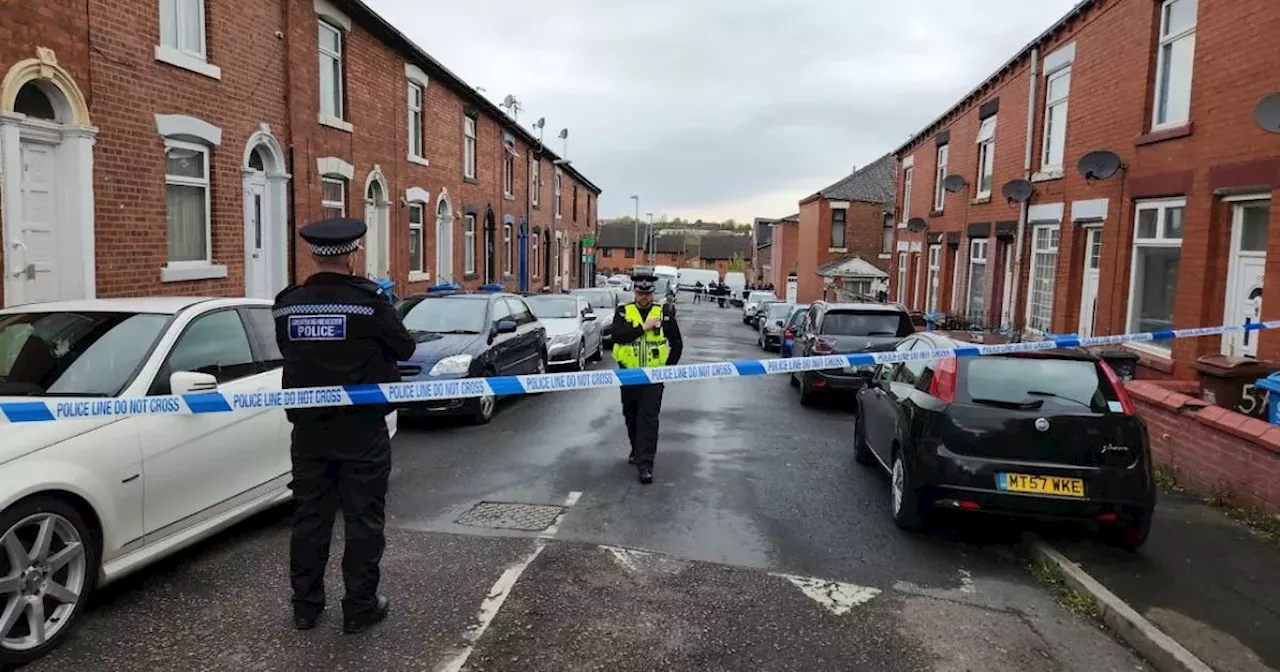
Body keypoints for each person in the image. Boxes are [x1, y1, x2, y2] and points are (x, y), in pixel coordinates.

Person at [273, 217, 416, 634]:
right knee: (363, 520)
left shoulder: (287, 304)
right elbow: (404, 347)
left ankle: (305, 608)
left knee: (310, 519)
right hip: (361, 430)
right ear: (352, 255)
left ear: (314, 255)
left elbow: (291, 350)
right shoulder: (370, 303)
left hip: (309, 429)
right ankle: (359, 606)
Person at [611, 272, 683, 484]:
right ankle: (636, 449)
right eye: (640, 293)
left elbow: (677, 344)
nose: (644, 297)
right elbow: (617, 337)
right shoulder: (624, 312)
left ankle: (646, 464)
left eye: (648, 293)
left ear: (653, 293)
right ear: (635, 293)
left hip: (653, 377)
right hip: (629, 375)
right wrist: (644, 327)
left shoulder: (664, 313)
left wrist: (667, 369)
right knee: (631, 415)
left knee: (648, 419)